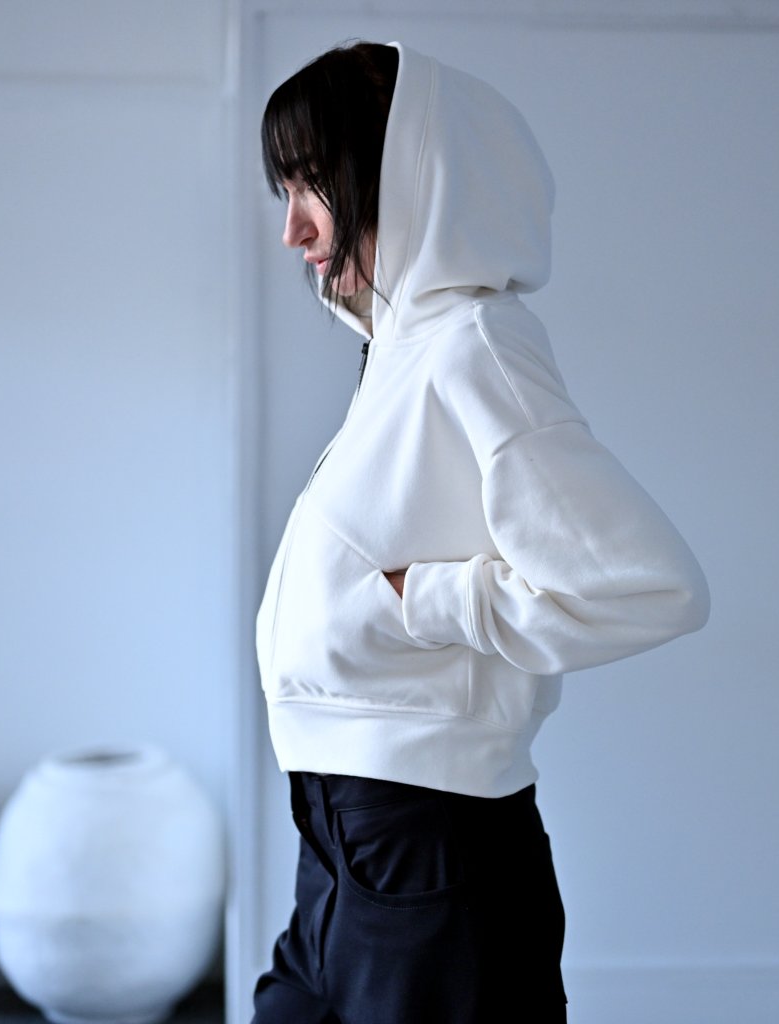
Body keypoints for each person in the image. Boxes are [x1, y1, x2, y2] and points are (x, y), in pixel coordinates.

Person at [253, 40, 709, 1024]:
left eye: (311, 183)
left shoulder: (473, 344)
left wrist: (426, 599)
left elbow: (650, 586)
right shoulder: (399, 357)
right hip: (338, 855)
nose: (293, 228)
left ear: (399, 172)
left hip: (427, 851)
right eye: (282, 190)